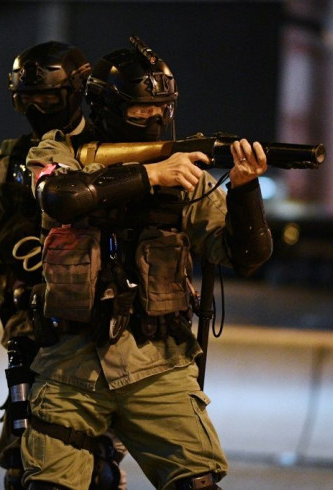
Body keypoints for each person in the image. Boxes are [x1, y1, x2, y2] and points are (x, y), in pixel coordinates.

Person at [20, 39, 273, 489]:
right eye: (140, 111)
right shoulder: (54, 151)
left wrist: (245, 189)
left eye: (162, 109)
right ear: (105, 107)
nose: (154, 120)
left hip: (158, 362)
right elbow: (61, 196)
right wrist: (151, 175)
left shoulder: (184, 168)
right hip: (70, 366)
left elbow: (245, 256)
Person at [0, 41, 126, 490]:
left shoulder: (112, 153)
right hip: (29, 333)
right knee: (23, 459)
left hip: (96, 338)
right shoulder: (12, 160)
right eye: (28, 99)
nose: (38, 108)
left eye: (47, 98)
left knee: (97, 465)